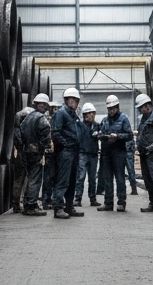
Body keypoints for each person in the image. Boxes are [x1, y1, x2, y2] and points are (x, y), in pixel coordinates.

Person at [50, 89, 87, 219]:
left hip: (74, 151)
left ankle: (69, 207)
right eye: (72, 100)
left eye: (76, 100)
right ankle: (58, 207)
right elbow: (55, 132)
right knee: (63, 181)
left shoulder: (73, 115)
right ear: (66, 100)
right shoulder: (61, 113)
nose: (75, 103)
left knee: (72, 181)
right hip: (65, 152)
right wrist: (65, 144)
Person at [18, 93, 53, 216]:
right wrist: (46, 146)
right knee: (35, 179)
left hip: (26, 151)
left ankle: (28, 203)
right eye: (42, 104)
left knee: (30, 178)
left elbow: (20, 131)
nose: (43, 106)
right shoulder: (41, 118)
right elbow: (46, 135)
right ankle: (31, 206)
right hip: (35, 152)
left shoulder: (28, 117)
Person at [96, 94, 132, 212]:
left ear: (117, 107)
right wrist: (103, 136)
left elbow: (129, 135)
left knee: (120, 178)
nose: (111, 111)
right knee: (107, 179)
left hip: (119, 153)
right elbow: (100, 134)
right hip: (106, 154)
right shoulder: (104, 121)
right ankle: (108, 203)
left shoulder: (123, 119)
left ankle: (121, 202)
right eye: (109, 109)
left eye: (113, 108)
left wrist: (118, 136)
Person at [75, 102, 101, 207]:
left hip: (93, 154)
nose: (89, 116)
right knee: (80, 177)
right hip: (83, 154)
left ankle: (92, 199)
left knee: (92, 178)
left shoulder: (97, 126)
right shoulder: (80, 126)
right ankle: (78, 199)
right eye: (87, 114)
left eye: (90, 113)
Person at [42, 98, 61, 208]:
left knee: (55, 178)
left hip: (56, 152)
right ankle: (46, 200)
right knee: (49, 177)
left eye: (56, 108)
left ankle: (52, 199)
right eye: (52, 108)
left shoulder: (57, 119)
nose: (54, 110)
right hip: (49, 153)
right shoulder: (46, 120)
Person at [124, 129, 139, 195]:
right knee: (131, 171)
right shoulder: (130, 134)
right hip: (129, 153)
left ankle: (122, 190)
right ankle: (134, 189)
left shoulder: (120, 133)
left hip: (121, 153)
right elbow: (134, 146)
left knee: (120, 173)